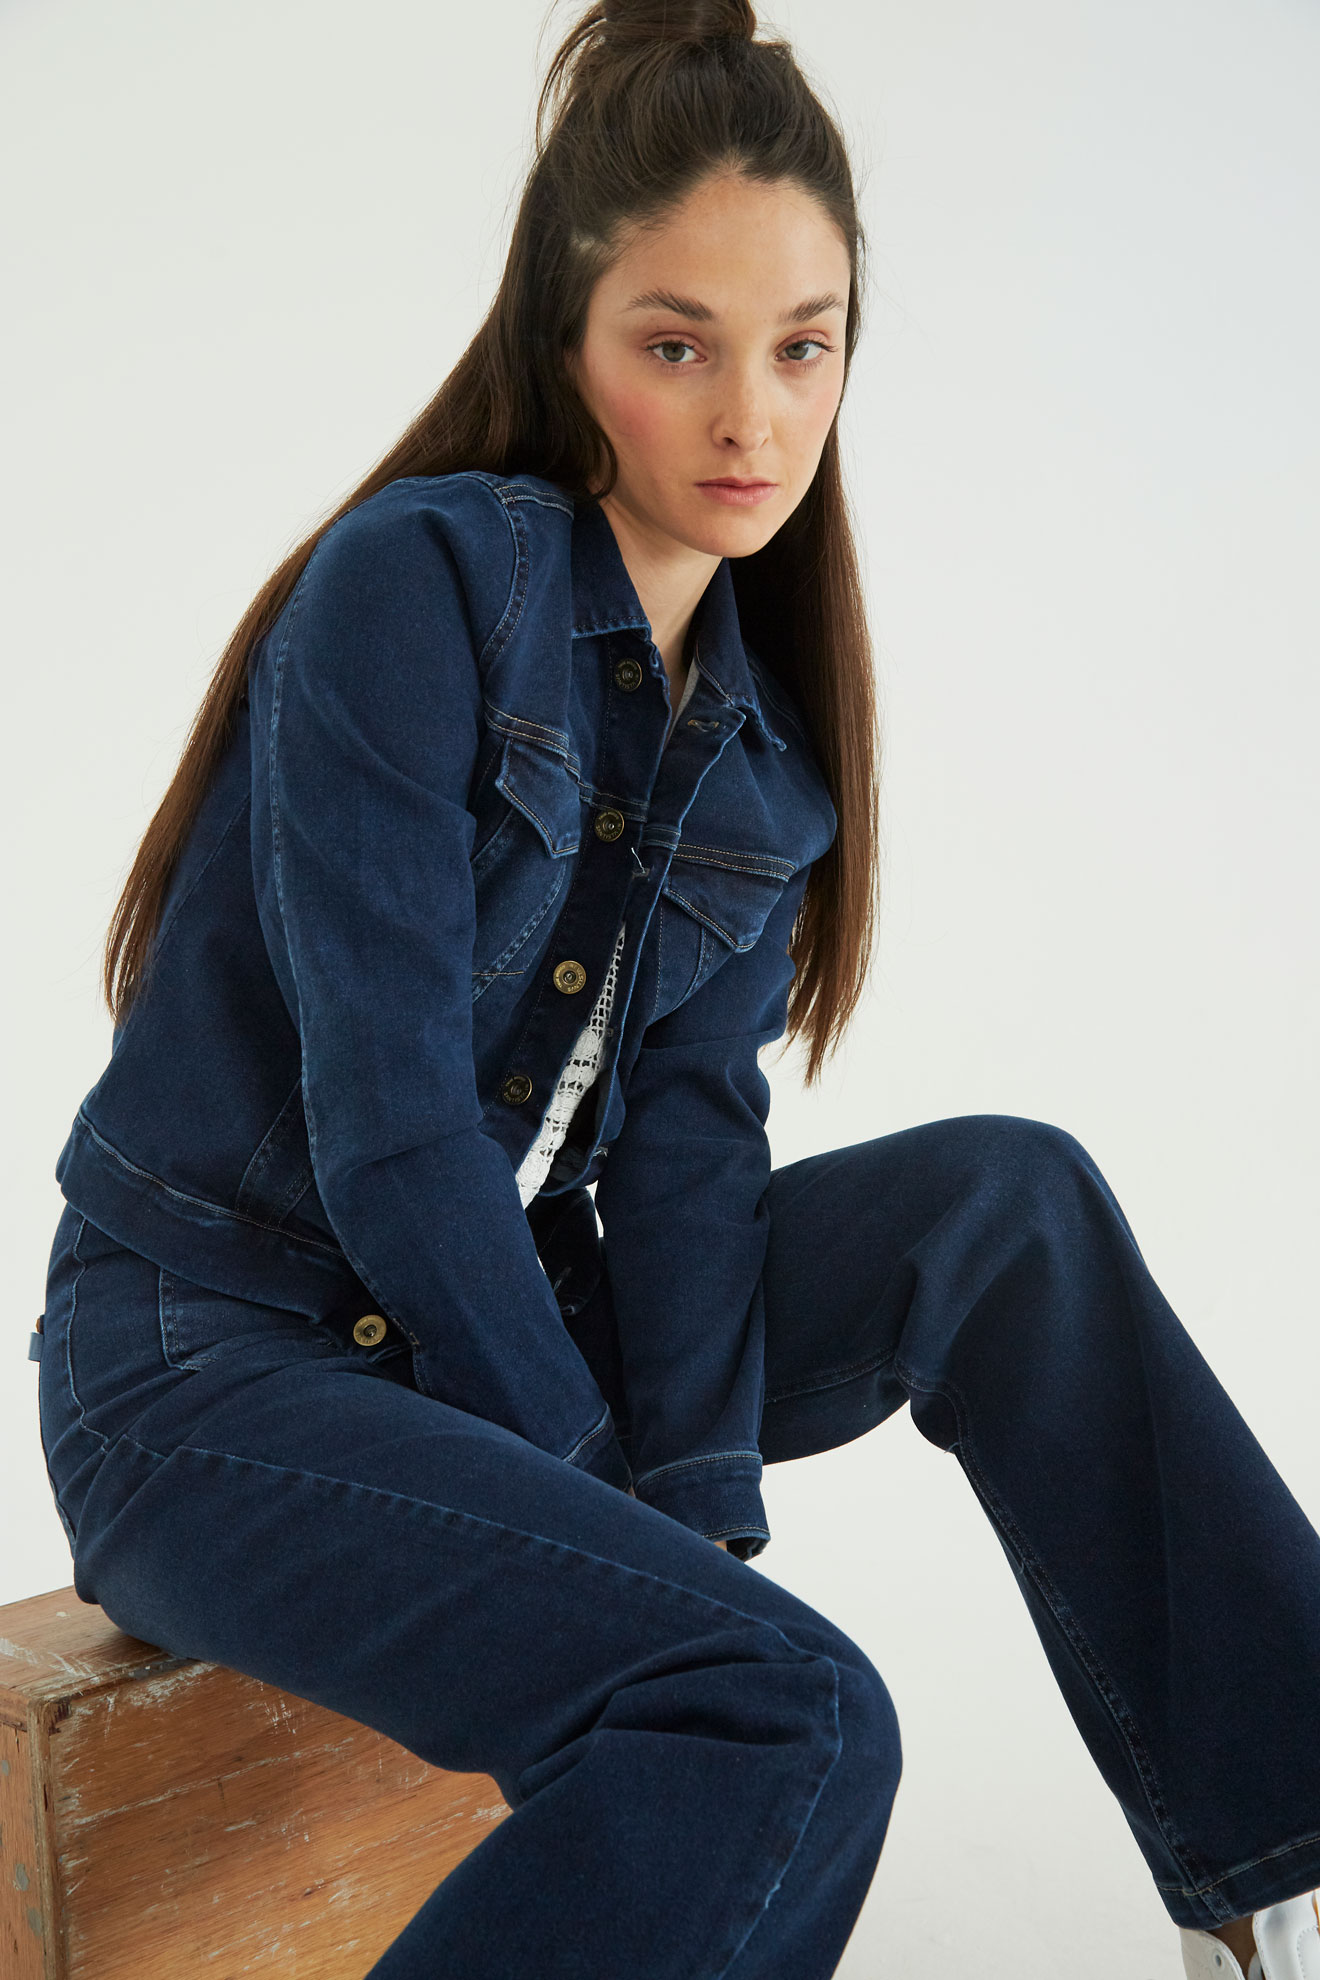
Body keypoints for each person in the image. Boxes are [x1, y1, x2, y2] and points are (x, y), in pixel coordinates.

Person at [31, 1, 1320, 1974]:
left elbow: (689, 1167)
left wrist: (695, 1512)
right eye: (677, 344)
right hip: (211, 1370)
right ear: (571, 340)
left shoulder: (763, 754)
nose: (753, 420)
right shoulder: (416, 586)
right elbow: (394, 1130)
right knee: (784, 1712)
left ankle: (1283, 1865)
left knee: (1009, 1207)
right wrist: (599, 1497)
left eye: (804, 346)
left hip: (487, 1331)